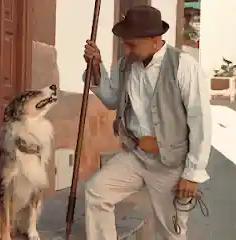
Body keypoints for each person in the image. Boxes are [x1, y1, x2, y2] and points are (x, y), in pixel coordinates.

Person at [82, 5, 211, 240]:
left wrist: (192, 174)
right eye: (125, 43)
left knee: (170, 231)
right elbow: (112, 99)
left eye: (132, 44)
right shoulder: (126, 64)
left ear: (154, 39)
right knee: (97, 191)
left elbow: (200, 121)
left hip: (171, 162)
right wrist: (96, 67)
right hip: (136, 155)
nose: (127, 49)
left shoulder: (183, 66)